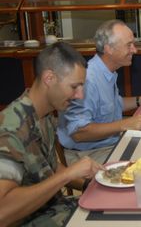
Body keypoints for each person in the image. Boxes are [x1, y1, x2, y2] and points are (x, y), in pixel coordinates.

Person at [0, 42, 103, 226]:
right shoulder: (11, 131)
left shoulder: (44, 115)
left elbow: (51, 168)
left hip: (56, 210)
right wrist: (67, 174)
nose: (80, 95)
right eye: (74, 87)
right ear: (49, 78)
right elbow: (3, 211)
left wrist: (89, 185)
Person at [57, 19, 141, 165]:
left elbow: (112, 104)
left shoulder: (107, 72)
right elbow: (79, 133)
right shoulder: (88, 79)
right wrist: (124, 124)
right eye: (129, 45)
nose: (135, 50)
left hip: (109, 145)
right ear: (109, 49)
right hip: (87, 154)